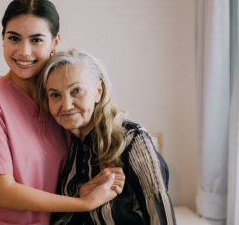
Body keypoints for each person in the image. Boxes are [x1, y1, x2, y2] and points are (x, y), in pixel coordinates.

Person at [0, 0, 124, 225]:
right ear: (3, 39)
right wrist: (83, 203)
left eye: (36, 40)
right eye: (14, 38)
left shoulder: (59, 103)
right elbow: (3, 192)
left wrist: (83, 190)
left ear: (55, 42)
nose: (24, 51)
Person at [38, 49, 177, 225]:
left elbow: (160, 214)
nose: (66, 105)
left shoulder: (132, 138)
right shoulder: (63, 144)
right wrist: (81, 194)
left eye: (77, 90)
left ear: (98, 91)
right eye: (55, 95)